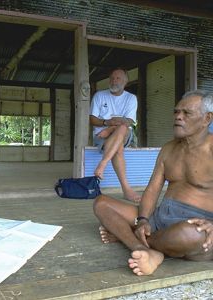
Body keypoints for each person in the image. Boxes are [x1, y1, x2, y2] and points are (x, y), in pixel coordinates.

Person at [93, 90, 213, 276]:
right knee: (101, 203)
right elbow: (152, 190)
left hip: (196, 224)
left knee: (188, 235)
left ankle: (128, 237)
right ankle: (147, 249)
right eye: (176, 112)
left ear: (207, 119)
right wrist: (142, 221)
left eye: (186, 113)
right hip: (160, 217)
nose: (178, 117)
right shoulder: (168, 149)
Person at [90, 67, 141, 202]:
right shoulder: (99, 96)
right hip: (102, 135)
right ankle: (126, 190)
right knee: (118, 147)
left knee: (123, 128)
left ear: (125, 81)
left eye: (118, 78)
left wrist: (110, 127)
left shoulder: (131, 98)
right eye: (112, 78)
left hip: (122, 133)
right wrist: (108, 124)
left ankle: (103, 163)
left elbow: (129, 121)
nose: (114, 81)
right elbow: (92, 119)